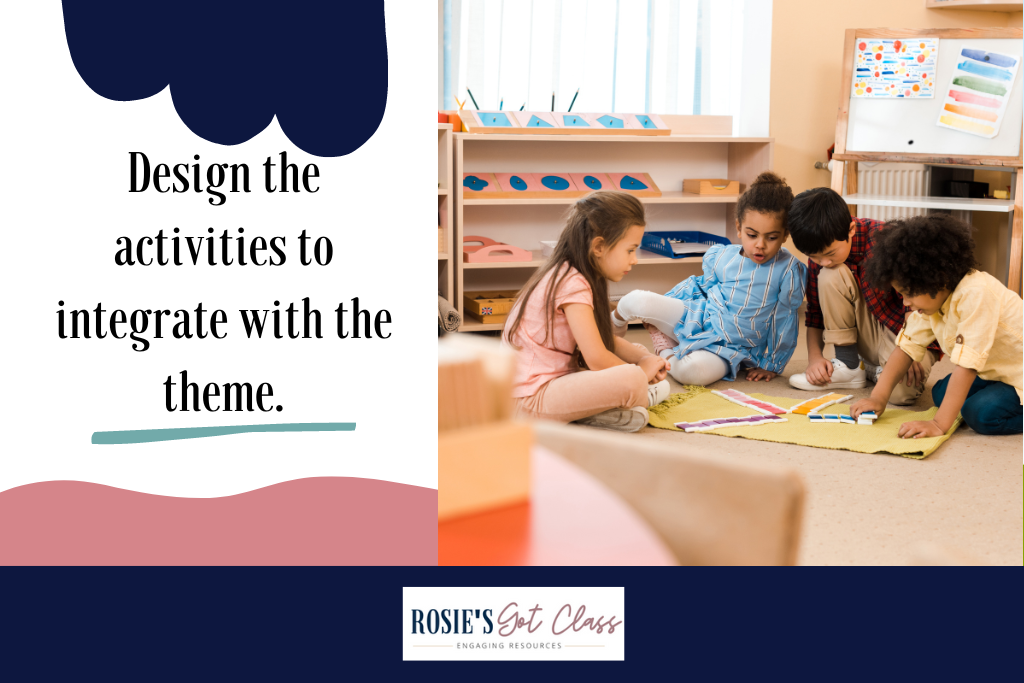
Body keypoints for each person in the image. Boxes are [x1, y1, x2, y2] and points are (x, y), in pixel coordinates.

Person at [611, 171, 806, 385]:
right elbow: (698, 286)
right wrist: (664, 304)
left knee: (692, 373)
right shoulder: (722, 256)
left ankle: (663, 350)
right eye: (752, 235)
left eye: (771, 237)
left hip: (732, 348)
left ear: (785, 234)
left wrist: (772, 364)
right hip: (699, 317)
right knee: (635, 300)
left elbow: (785, 320)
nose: (760, 244)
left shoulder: (788, 270)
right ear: (739, 227)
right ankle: (607, 333)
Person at [503, 191, 670, 433]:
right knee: (632, 379)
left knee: (638, 355)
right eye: (630, 250)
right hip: (529, 400)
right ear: (599, 246)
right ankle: (630, 399)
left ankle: (596, 413)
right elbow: (596, 358)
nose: (635, 260)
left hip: (549, 386)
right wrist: (641, 372)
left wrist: (643, 359)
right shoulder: (572, 283)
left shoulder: (573, 273)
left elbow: (600, 341)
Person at [850, 215, 1022, 437]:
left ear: (937, 279)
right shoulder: (933, 301)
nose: (905, 302)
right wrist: (878, 397)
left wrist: (939, 424)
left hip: (1019, 375)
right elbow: (906, 347)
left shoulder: (976, 294)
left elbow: (967, 366)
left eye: (908, 293)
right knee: (941, 393)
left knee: (980, 414)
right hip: (997, 372)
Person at [786, 188, 939, 403]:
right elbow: (815, 313)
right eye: (814, 257)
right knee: (829, 275)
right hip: (868, 330)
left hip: (906, 330)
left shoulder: (886, 239)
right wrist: (814, 359)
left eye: (830, 254)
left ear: (851, 230)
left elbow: (914, 305)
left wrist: (911, 348)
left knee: (900, 394)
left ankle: (871, 368)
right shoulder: (821, 259)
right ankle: (849, 365)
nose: (823, 262)